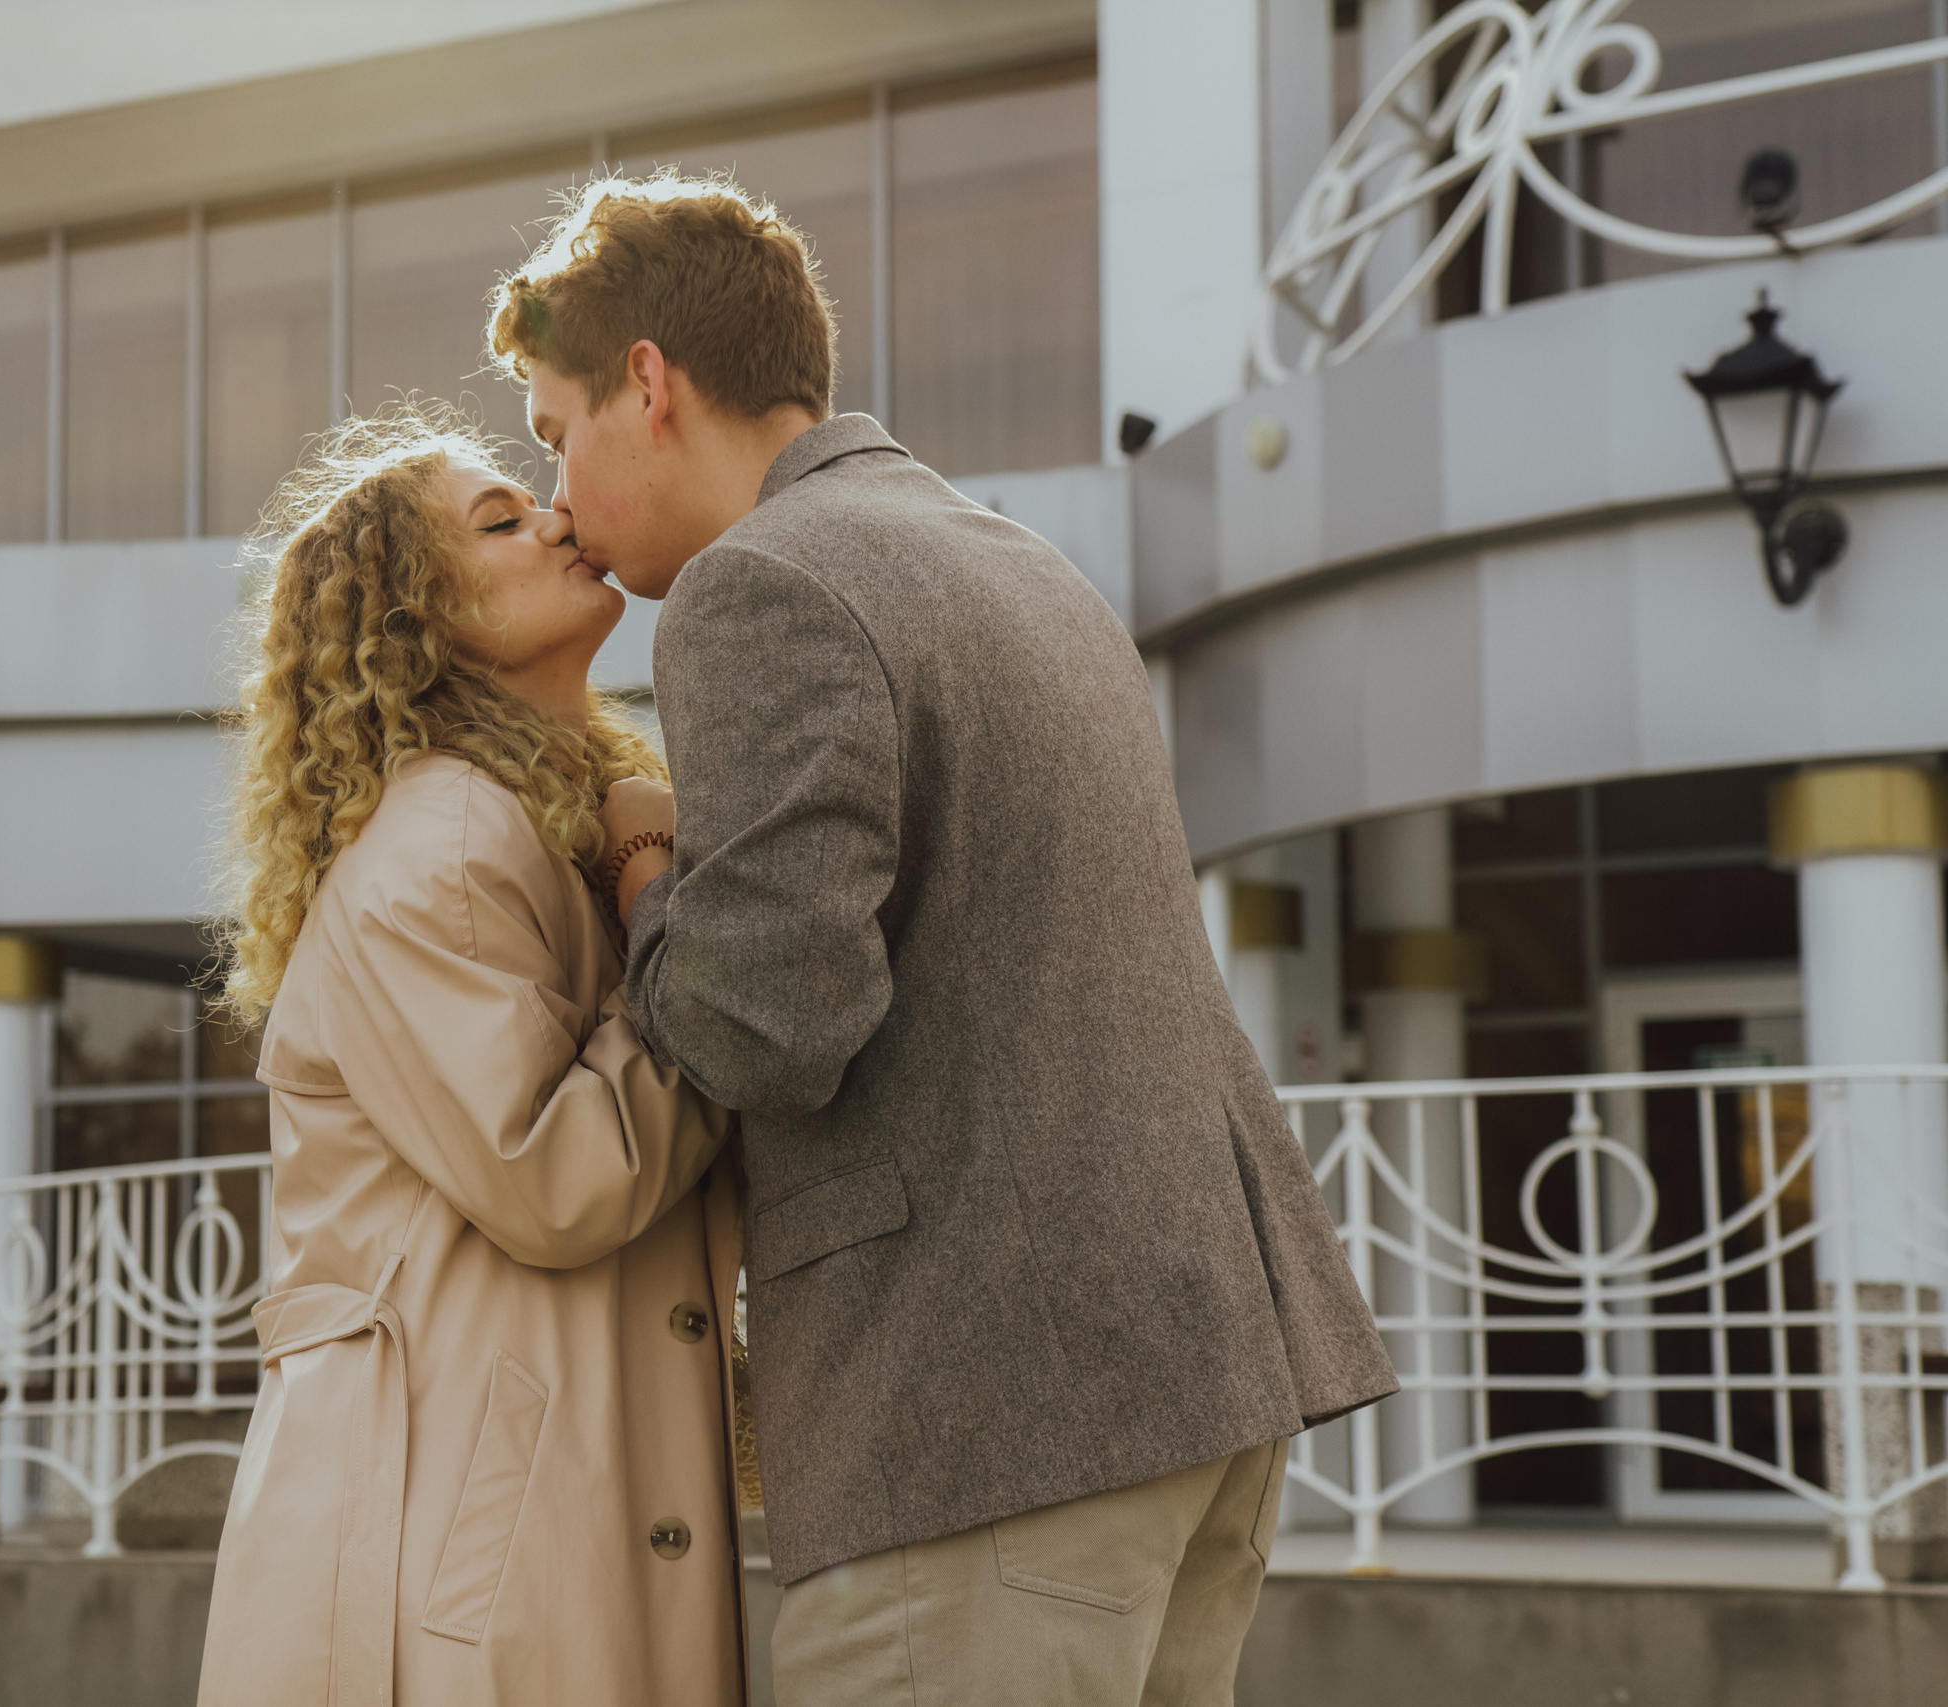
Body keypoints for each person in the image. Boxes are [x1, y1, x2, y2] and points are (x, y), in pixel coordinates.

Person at [488, 175, 1398, 1706]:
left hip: (982, 1425)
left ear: (648, 381)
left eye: (551, 430)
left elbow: (764, 1023)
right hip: (1204, 1383)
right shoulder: (1019, 561)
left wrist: (644, 865)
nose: (560, 494)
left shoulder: (758, 585)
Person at [194, 410, 746, 1707]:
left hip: (513, 1539)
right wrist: (665, 914)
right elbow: (559, 1177)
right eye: (500, 520)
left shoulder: (531, 824)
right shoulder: (444, 843)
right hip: (460, 1578)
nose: (556, 514)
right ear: (413, 622)